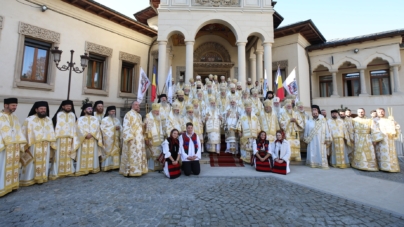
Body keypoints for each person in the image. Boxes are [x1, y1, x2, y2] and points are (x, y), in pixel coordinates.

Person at [20, 101, 56, 186]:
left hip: (45, 145)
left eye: (44, 109)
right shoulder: (29, 119)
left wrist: (52, 143)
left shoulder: (48, 120)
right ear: (36, 109)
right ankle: (29, 179)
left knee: (44, 162)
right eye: (41, 109)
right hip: (33, 145)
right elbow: (24, 132)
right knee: (32, 163)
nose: (43, 110)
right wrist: (25, 146)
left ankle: (42, 177)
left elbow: (51, 132)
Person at [0, 98, 27, 197]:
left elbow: (18, 130)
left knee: (13, 167)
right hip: (4, 147)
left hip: (14, 147)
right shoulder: (0, 116)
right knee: (2, 166)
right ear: (6, 105)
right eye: (13, 105)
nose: (15, 107)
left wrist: (20, 142)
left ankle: (12, 185)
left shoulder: (15, 117)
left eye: (16, 105)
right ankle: (2, 187)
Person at [74, 102, 103, 176]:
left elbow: (97, 128)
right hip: (83, 140)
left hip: (93, 140)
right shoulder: (80, 119)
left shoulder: (95, 119)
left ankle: (93, 168)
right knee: (83, 154)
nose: (90, 110)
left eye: (91, 109)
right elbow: (78, 129)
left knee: (93, 154)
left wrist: (92, 134)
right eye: (88, 109)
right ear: (84, 110)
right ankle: (83, 170)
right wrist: (85, 134)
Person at [50, 100, 76, 180]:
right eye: (67, 106)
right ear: (63, 107)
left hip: (70, 139)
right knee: (58, 155)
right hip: (59, 139)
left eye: (70, 106)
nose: (69, 107)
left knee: (68, 155)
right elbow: (53, 126)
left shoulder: (73, 115)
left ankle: (69, 171)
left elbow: (75, 126)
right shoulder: (58, 115)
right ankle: (56, 172)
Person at [120, 101, 148, 176]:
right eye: (136, 105)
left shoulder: (139, 115)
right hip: (132, 138)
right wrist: (129, 137)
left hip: (139, 139)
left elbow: (140, 126)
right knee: (132, 155)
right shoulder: (128, 114)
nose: (137, 106)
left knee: (139, 154)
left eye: (138, 105)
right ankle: (131, 171)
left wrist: (144, 126)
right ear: (131, 105)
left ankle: (139, 169)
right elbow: (126, 126)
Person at [374, 108, 401, 172]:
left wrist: (394, 123)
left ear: (384, 112)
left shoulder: (389, 120)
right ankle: (382, 166)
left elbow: (397, 127)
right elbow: (373, 130)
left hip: (390, 139)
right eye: (379, 112)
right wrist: (375, 139)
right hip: (380, 139)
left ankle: (391, 166)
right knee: (381, 153)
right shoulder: (375, 120)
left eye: (382, 111)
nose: (381, 113)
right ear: (377, 113)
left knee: (390, 153)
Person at [144, 102, 165, 172]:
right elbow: (146, 130)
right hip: (152, 139)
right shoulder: (148, 117)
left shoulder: (159, 117)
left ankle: (159, 167)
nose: (157, 112)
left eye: (158, 111)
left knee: (159, 152)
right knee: (152, 153)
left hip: (160, 138)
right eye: (156, 111)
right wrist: (146, 138)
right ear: (152, 111)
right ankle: (151, 167)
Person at [100, 106, 121, 171]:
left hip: (116, 139)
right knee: (108, 152)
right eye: (112, 111)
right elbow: (103, 129)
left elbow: (121, 127)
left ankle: (116, 166)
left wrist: (120, 128)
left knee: (116, 152)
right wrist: (114, 128)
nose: (113, 112)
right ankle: (107, 166)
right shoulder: (104, 120)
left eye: (114, 111)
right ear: (108, 112)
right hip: (108, 139)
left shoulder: (117, 120)